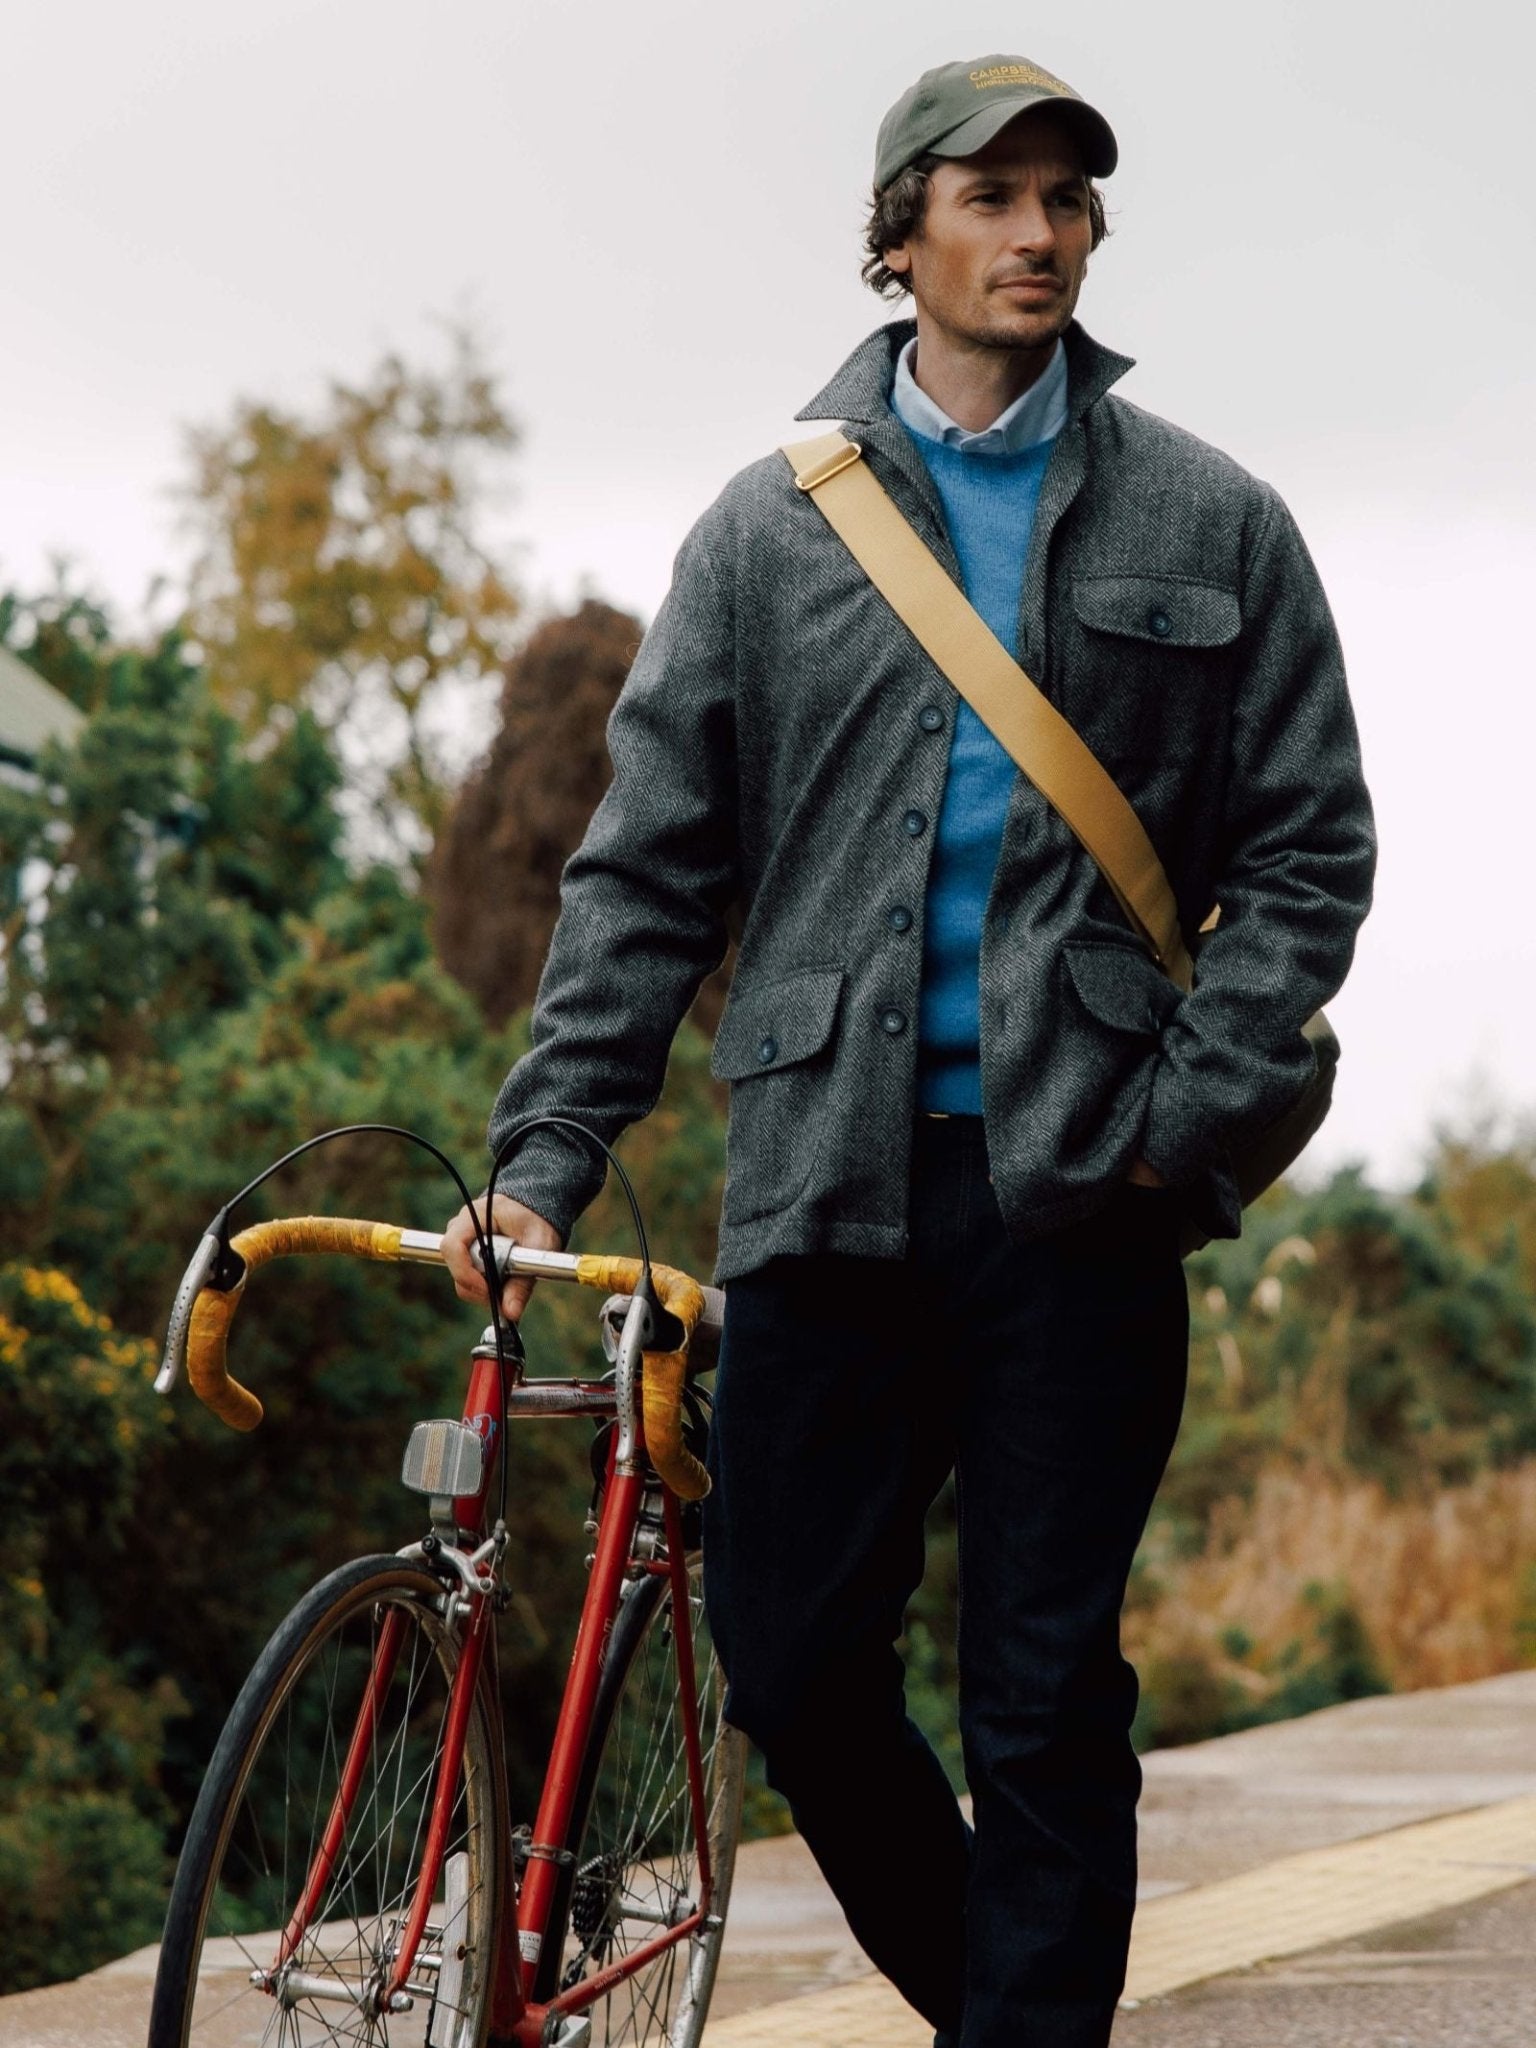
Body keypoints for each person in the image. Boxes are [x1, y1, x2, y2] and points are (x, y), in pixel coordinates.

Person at [443, 51, 1376, 2048]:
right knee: (790, 1666)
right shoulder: (773, 535)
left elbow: (1307, 851)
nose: (1036, 232)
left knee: (1044, 1686)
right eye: (991, 197)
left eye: (1065, 200)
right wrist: (546, 1146)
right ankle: (1005, 2010)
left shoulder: (1217, 520)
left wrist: (1185, 1122)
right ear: (900, 240)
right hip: (822, 1189)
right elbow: (645, 874)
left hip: (1083, 1193)